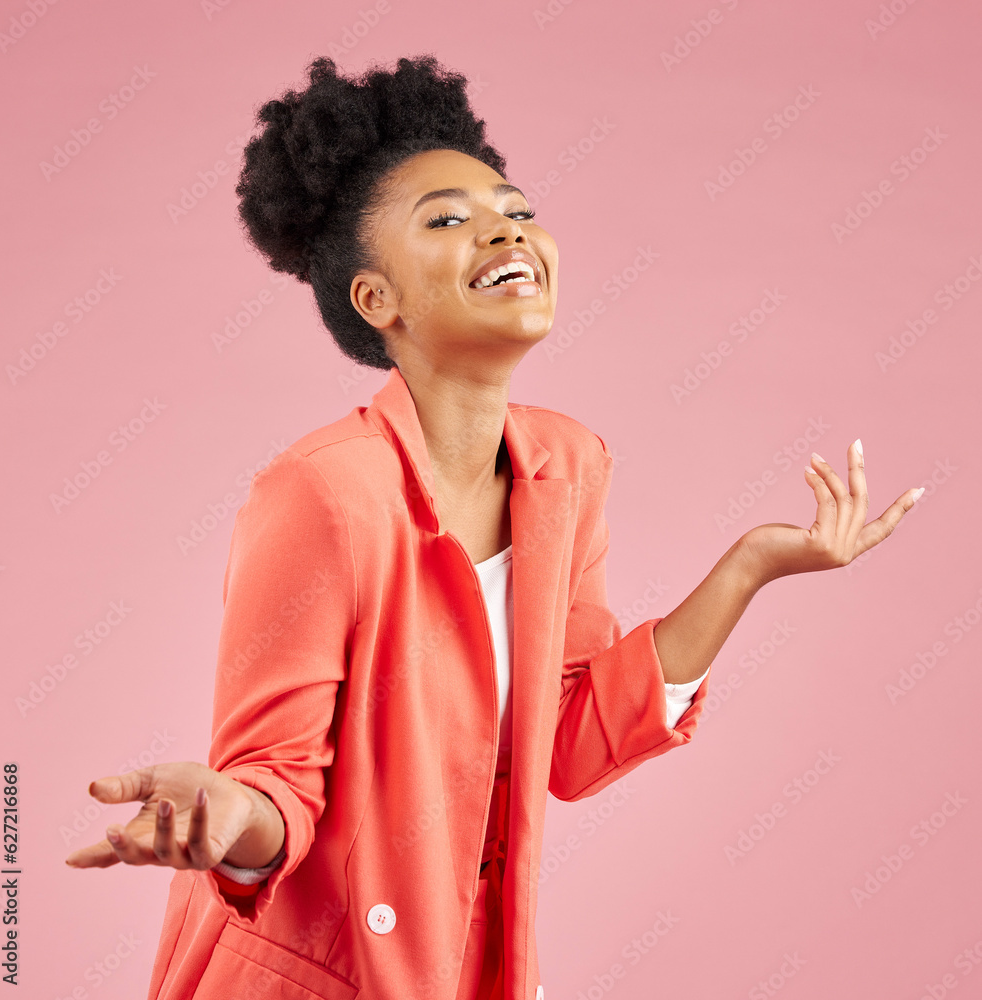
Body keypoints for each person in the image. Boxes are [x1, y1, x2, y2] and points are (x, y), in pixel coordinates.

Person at [65, 55, 925, 1000]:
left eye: (514, 209)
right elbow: (278, 784)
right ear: (377, 302)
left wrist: (753, 565)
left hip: (475, 969)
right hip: (315, 976)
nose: (503, 230)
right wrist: (228, 814)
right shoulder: (319, 494)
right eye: (446, 219)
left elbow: (571, 742)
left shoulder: (569, 467)